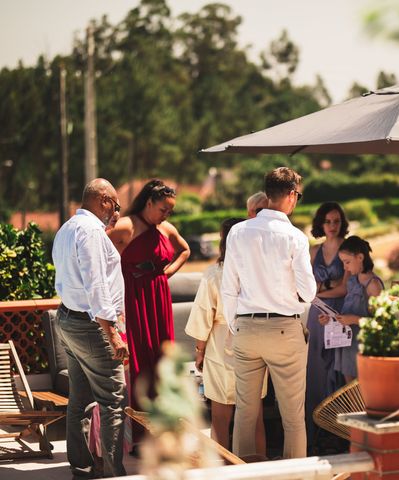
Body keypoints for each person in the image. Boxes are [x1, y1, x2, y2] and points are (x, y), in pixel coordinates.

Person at [222, 167, 316, 459]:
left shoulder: (238, 232)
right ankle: (296, 477)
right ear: (290, 196)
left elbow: (229, 288)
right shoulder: (295, 237)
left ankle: (244, 474)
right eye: (297, 195)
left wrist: (236, 326)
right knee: (293, 417)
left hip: (247, 329)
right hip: (284, 330)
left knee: (246, 415)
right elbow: (309, 292)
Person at [52, 178, 129, 478]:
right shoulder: (91, 232)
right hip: (92, 325)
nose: (117, 213)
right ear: (104, 200)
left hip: (68, 320)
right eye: (116, 206)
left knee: (80, 400)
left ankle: (81, 466)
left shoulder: (69, 227)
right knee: (112, 400)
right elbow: (96, 285)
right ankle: (113, 473)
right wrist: (112, 333)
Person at [107, 179, 190, 446]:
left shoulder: (165, 228)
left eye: (170, 211)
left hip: (159, 296)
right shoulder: (126, 226)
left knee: (162, 359)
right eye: (163, 209)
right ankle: (143, 438)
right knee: (141, 362)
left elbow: (185, 250)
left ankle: (165, 429)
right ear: (149, 203)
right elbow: (95, 252)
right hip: (134, 298)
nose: (166, 215)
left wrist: (166, 273)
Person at [184, 217, 268, 454]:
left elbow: (203, 317)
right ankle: (259, 468)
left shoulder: (214, 274)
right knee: (255, 416)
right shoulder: (261, 273)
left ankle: (223, 473)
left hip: (221, 344)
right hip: (254, 340)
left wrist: (199, 352)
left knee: (221, 417)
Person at [305, 202, 349, 446]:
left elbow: (344, 287)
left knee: (339, 367)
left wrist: (321, 289)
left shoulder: (348, 249)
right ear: (321, 224)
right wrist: (325, 288)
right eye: (328, 221)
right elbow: (307, 288)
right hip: (317, 314)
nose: (332, 226)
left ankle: (338, 432)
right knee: (317, 368)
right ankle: (316, 430)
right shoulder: (313, 252)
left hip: (341, 312)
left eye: (337, 221)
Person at [320, 236, 384, 383]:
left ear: (360, 257)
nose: (345, 268)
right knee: (350, 392)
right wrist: (331, 319)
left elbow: (380, 324)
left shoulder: (373, 285)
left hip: (363, 348)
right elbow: (347, 312)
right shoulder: (352, 281)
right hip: (347, 345)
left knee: (363, 392)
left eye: (347, 262)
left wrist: (354, 320)